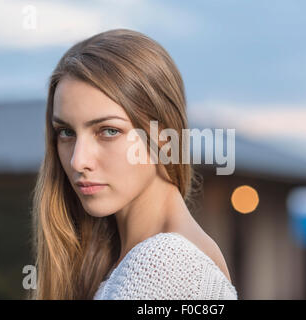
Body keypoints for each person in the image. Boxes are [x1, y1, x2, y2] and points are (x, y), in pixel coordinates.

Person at [31, 28, 238, 300]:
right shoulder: (127, 259)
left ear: (164, 136)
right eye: (66, 132)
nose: (78, 160)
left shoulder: (164, 265)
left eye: (108, 131)